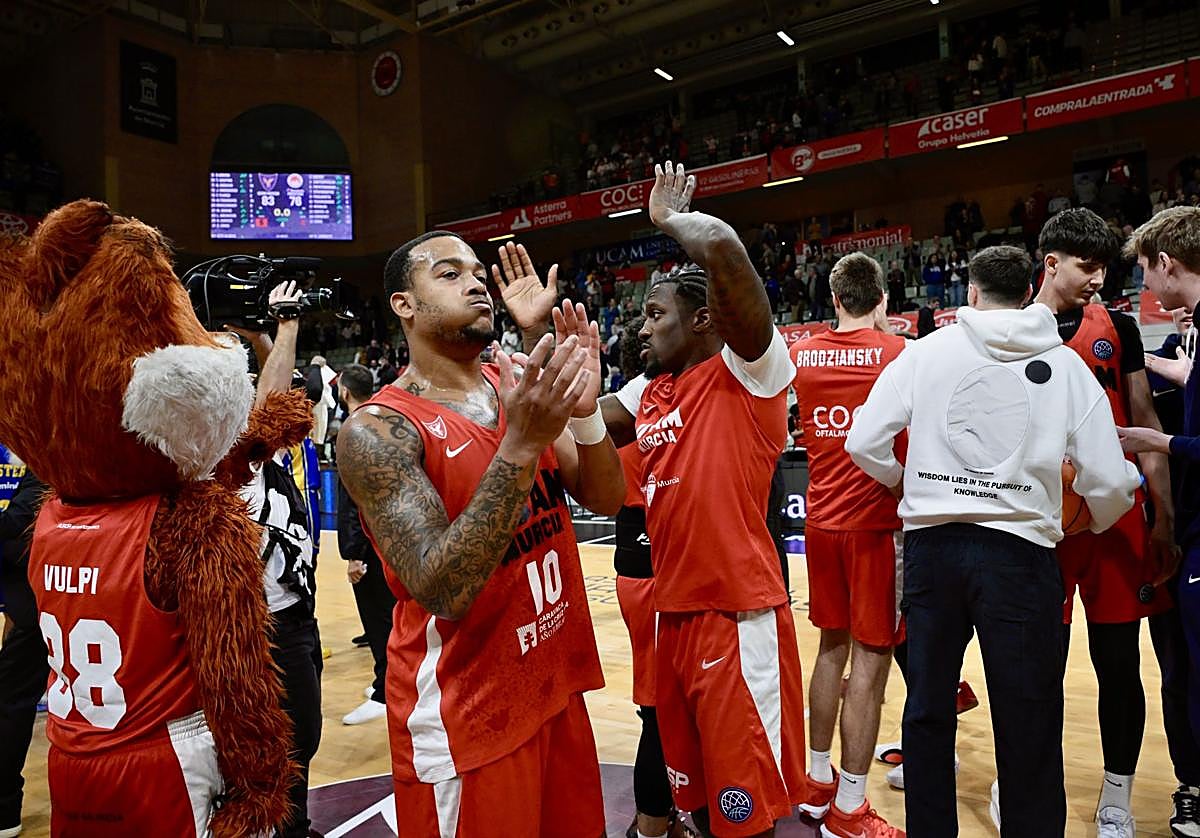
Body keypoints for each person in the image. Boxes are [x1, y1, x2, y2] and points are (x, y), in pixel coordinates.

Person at [846, 245, 1140, 838]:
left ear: (971, 293)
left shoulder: (923, 354)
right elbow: (1108, 480)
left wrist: (905, 481)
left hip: (934, 549)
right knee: (1029, 717)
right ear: (1028, 286)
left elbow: (863, 443)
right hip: (1022, 553)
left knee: (928, 711)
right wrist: (1094, 520)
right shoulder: (1065, 365)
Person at [337, 234, 624, 837]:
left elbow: (607, 497)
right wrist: (520, 445)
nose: (475, 283)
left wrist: (585, 408)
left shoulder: (514, 385)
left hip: (553, 687)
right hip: (465, 716)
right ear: (403, 305)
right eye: (448, 274)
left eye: (476, 272)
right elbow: (443, 589)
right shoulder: (380, 430)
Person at [599, 162, 807, 837]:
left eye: (655, 314)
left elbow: (724, 254)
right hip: (673, 616)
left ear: (702, 319)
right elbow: (580, 424)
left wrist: (675, 225)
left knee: (743, 817)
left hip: (735, 617)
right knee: (695, 805)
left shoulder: (749, 372)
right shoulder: (649, 390)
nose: (640, 328)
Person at [1033, 208, 1178, 836]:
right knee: (1038, 670)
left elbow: (1146, 424)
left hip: (1115, 522)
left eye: (1105, 268)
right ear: (1051, 263)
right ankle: (1032, 787)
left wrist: (1164, 517)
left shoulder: (1117, 326)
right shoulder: (1011, 327)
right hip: (1043, 527)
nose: (1098, 279)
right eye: (1087, 267)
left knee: (1118, 664)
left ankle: (1116, 793)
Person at [790, 253, 905, 837]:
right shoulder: (896, 354)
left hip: (819, 523)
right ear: (882, 297)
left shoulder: (802, 353)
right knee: (872, 657)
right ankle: (851, 808)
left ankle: (815, 783)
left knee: (829, 647)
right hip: (874, 528)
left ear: (833, 298)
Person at [1115, 206, 1200, 835]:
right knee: (1180, 668)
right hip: (1184, 533)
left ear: (1167, 264)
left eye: (1147, 271)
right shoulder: (1179, 341)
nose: (1146, 286)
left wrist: (1157, 440)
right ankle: (1191, 786)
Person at [232, 282, 325, 838]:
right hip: (255, 625)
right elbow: (271, 407)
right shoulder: (226, 455)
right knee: (271, 747)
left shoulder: (276, 450)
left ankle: (297, 824)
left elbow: (280, 398)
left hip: (296, 609)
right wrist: (285, 328)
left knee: (304, 738)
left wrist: (265, 337)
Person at [336, 364, 397, 727]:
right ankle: (390, 680)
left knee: (378, 619)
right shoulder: (384, 420)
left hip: (372, 543)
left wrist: (354, 554)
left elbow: (355, 500)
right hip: (393, 539)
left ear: (344, 391)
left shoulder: (353, 429)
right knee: (390, 616)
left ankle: (384, 690)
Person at [0, 454, 48, 838]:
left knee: (11, 702)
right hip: (31, 596)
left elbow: (21, 520)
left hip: (42, 599)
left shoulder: (50, 453)